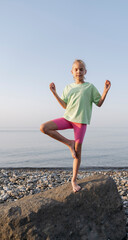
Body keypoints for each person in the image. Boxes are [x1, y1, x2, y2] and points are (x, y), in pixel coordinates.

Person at [40, 59, 111, 192]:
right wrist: (54, 92)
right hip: (68, 118)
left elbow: (99, 103)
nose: (79, 71)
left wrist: (105, 91)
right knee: (44, 127)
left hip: (81, 121)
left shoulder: (90, 87)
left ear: (85, 72)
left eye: (81, 69)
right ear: (72, 72)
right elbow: (65, 105)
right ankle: (69, 143)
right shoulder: (68, 87)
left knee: (77, 154)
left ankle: (73, 180)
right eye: (76, 69)